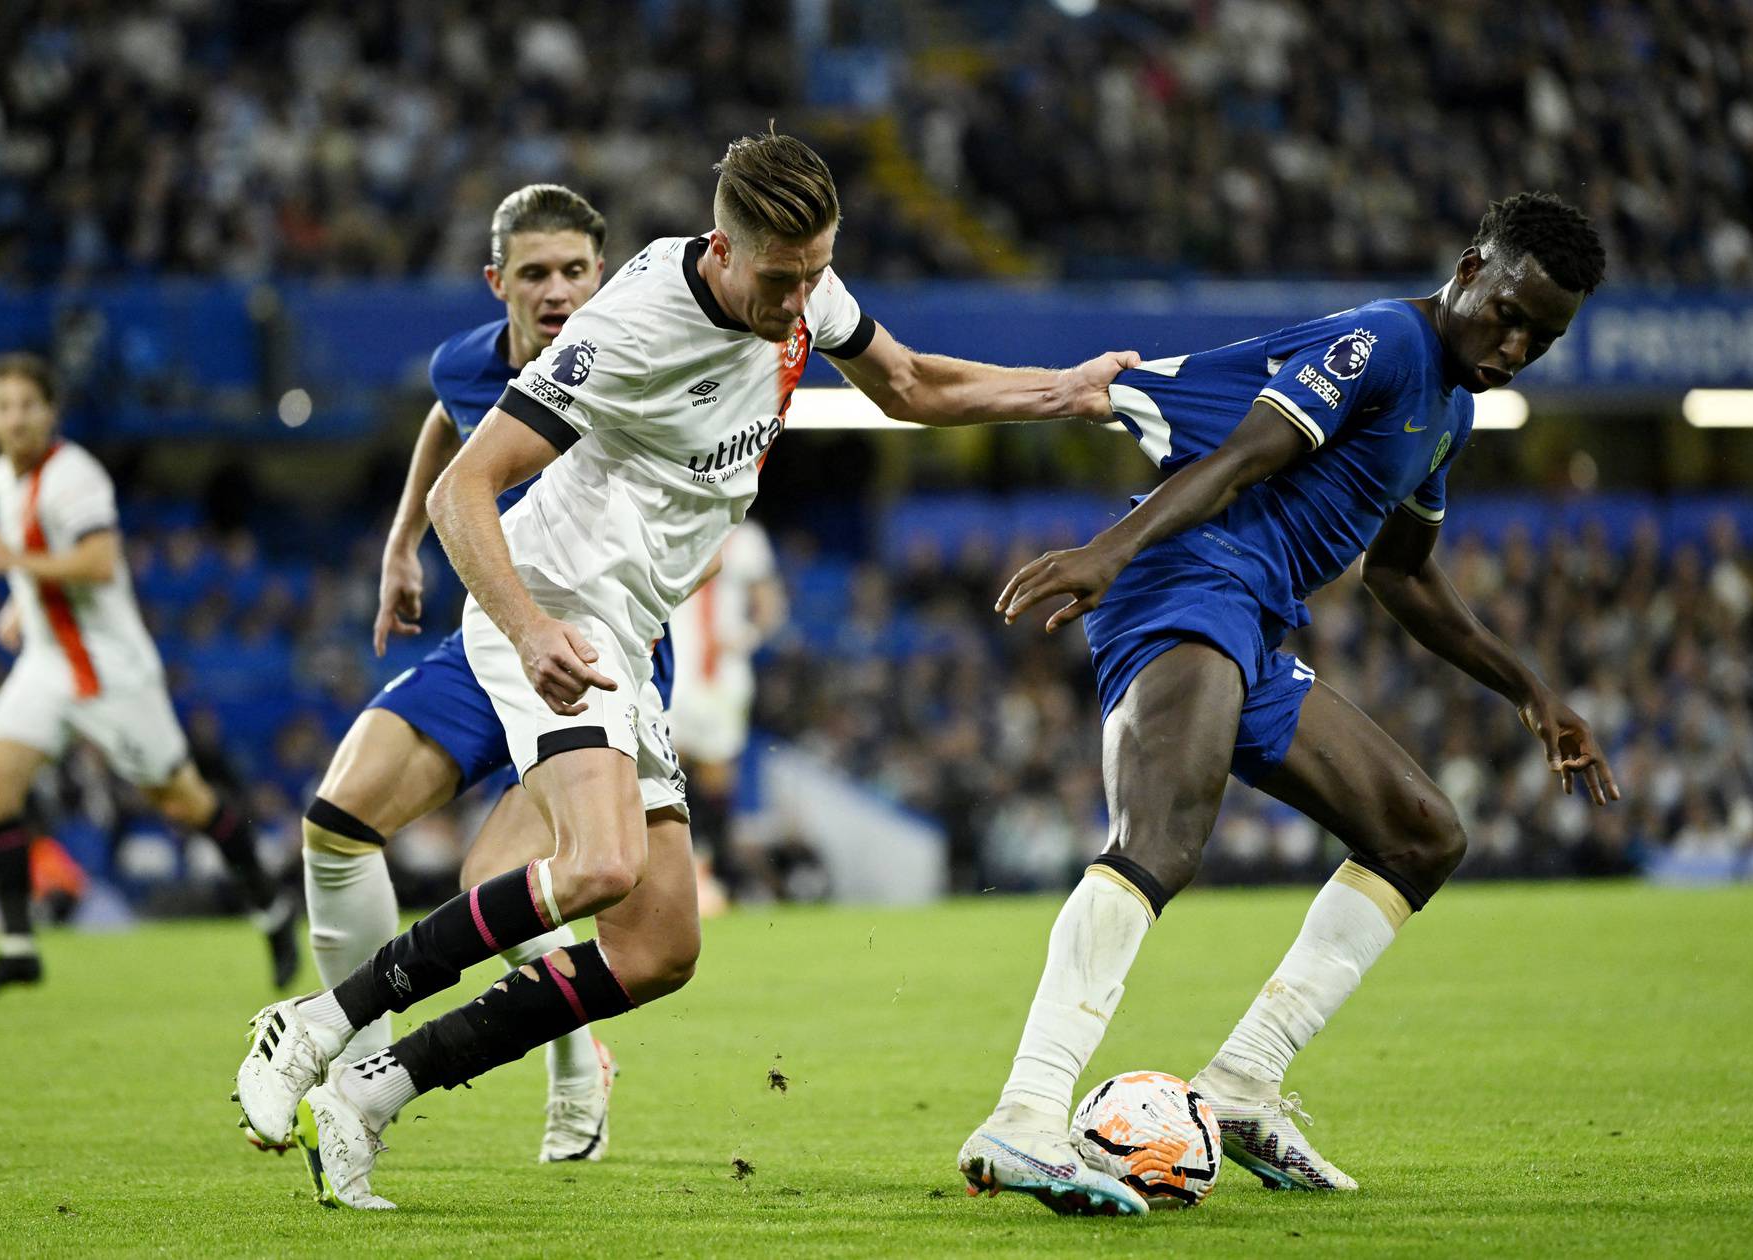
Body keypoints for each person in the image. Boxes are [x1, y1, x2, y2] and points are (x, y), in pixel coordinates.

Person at [236, 127, 1137, 1210]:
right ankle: (322, 1021)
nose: (800, 301)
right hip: (555, 600)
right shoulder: (629, 329)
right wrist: (527, 631)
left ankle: (371, 1094)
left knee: (658, 945)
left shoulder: (805, 284)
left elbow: (905, 382)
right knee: (599, 867)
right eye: (780, 278)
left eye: (816, 274)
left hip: (631, 629)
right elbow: (457, 492)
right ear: (722, 247)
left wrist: (1063, 391)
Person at [960, 193, 1619, 1215]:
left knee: (1420, 834)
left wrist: (1532, 692)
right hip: (1183, 575)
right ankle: (1027, 1113)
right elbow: (1239, 462)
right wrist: (1109, 554)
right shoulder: (1383, 345)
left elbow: (1403, 576)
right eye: (1511, 312)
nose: (1520, 343)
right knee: (1161, 839)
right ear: (1470, 265)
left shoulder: (1450, 409)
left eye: (1547, 334)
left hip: (1250, 616)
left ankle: (1240, 1086)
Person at [286, 184, 671, 1167]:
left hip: (595, 652)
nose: (556, 291)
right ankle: (351, 1059)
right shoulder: (467, 362)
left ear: (606, 274)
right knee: (336, 825)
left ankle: (578, 1062)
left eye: (576, 271)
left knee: (499, 885)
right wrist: (401, 543)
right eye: (535, 273)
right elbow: (445, 416)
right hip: (495, 632)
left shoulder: (639, 364)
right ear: (497, 281)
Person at [0, 353, 296, 996]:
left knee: (182, 800)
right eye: (3, 406)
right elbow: (40, 558)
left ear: (51, 412)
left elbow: (96, 560)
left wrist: (12, 563)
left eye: (28, 404)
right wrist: (16, 602)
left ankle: (271, 909)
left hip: (112, 672)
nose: (16, 418)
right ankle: (17, 946)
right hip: (47, 661)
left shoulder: (74, 476)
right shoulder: (4, 476)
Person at [666, 516, 786, 905]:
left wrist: (748, 636)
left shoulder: (746, 536)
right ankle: (674, 875)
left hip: (723, 676)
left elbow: (770, 602)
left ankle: (711, 875)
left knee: (717, 777)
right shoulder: (670, 520)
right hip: (674, 670)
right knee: (666, 772)